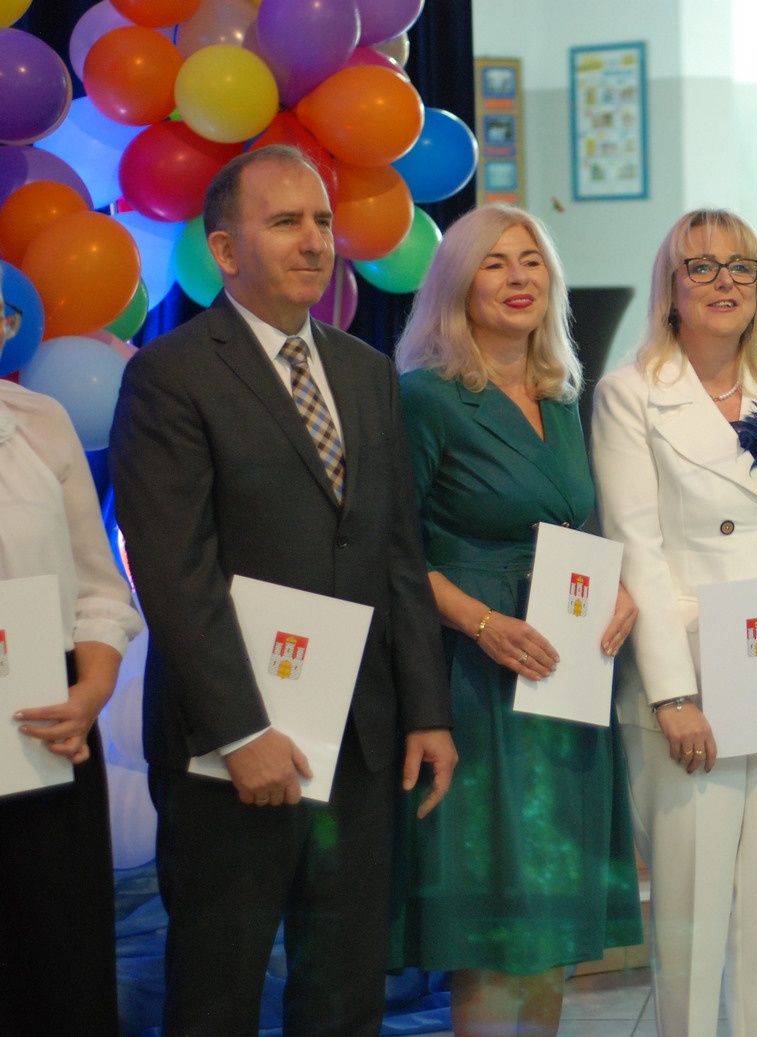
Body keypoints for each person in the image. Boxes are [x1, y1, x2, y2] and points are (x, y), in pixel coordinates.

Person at [109, 145, 457, 1037]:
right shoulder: (171, 374)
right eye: (285, 222)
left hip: (362, 742)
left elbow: (398, 552)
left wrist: (426, 709)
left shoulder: (366, 371)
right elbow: (175, 572)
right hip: (230, 751)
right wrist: (241, 730)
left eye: (323, 221)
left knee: (344, 994)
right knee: (218, 993)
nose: (315, 241)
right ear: (225, 251)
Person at [590, 208, 757, 1035]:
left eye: (741, 266)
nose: (724, 282)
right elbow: (635, 548)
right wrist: (671, 695)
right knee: (693, 921)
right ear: (670, 286)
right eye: (700, 266)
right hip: (693, 678)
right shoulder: (631, 393)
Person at [391, 203, 643, 1034]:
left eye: (530, 261)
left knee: (549, 926)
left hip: (564, 677)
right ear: (457, 285)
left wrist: (615, 586)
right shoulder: (425, 398)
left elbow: (576, 524)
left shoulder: (561, 396)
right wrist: (479, 622)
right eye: (494, 263)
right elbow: (389, 551)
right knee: (498, 926)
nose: (517, 278)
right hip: (477, 679)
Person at [0, 287, 142, 1036]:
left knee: (54, 971)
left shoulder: (40, 423)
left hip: (46, 730)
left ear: (8, 326)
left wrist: (91, 691)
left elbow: (98, 589)